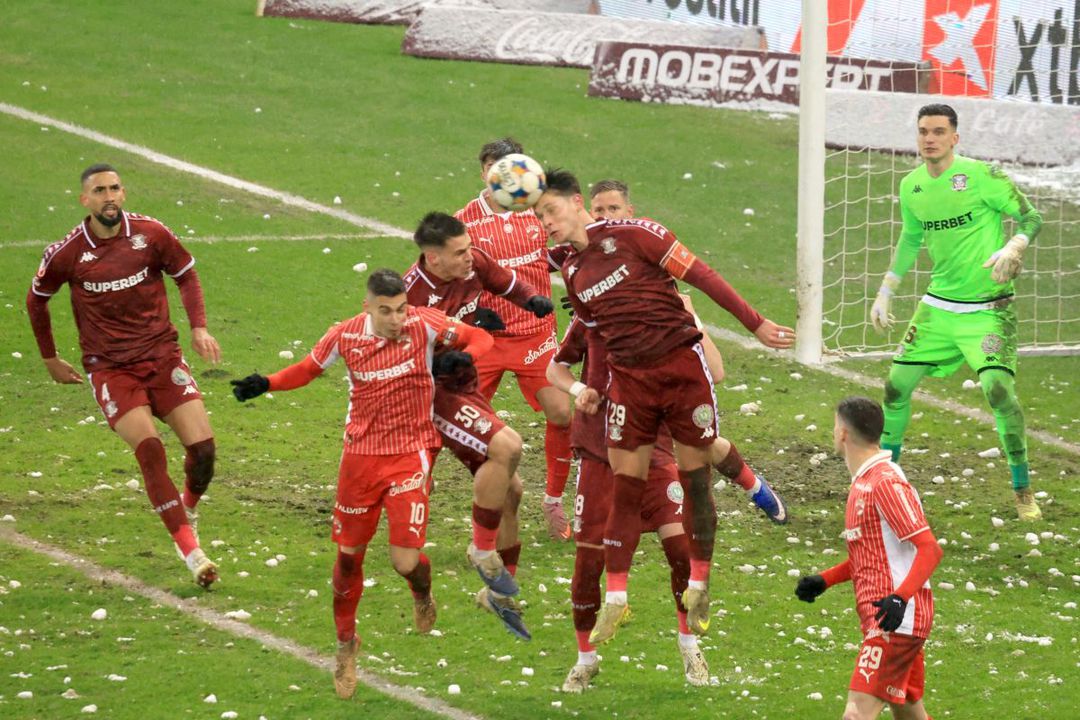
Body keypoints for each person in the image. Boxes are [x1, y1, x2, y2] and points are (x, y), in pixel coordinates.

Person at [534, 168, 795, 638]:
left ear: (575, 203)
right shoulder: (572, 272)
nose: (546, 222)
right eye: (539, 216)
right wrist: (582, 388)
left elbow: (705, 276)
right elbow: (591, 336)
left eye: (549, 211)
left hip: (679, 374)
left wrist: (755, 323)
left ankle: (700, 582)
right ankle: (616, 598)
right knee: (625, 486)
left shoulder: (641, 235)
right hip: (632, 386)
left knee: (697, 476)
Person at [229, 269, 494, 699]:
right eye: (386, 311)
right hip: (360, 459)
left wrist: (466, 358)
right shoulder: (344, 336)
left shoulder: (425, 324)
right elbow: (308, 369)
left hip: (411, 452)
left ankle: (421, 591)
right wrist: (267, 383)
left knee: (405, 561)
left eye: (401, 309)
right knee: (349, 559)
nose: (396, 319)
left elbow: (480, 338)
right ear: (367, 307)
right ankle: (345, 644)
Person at [26, 163, 221, 589]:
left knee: (204, 451)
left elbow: (186, 274)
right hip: (111, 368)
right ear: (85, 200)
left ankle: (186, 507)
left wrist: (199, 327)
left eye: (114, 188)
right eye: (99, 191)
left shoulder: (151, 234)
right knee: (150, 449)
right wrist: (50, 358)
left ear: (124, 193)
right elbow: (36, 299)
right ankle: (190, 550)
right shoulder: (68, 252)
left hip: (162, 357)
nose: (109, 196)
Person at [868, 103, 1044, 521]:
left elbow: (1031, 216)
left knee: (999, 392)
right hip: (937, 309)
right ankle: (887, 486)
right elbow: (911, 239)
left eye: (938, 131)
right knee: (894, 389)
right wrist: (886, 291)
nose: (929, 139)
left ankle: (1023, 489)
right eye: (923, 131)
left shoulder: (983, 176)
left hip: (989, 309)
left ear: (954, 137)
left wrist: (1016, 244)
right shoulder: (911, 186)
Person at [587, 178, 787, 523]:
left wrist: (748, 323)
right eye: (599, 210)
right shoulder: (582, 266)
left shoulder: (657, 275)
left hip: (666, 377)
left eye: (614, 208)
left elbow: (717, 371)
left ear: (630, 212)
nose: (607, 217)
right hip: (624, 389)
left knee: (701, 448)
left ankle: (754, 487)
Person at [404, 211, 555, 640]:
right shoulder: (412, 296)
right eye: (459, 252)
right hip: (431, 393)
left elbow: (504, 282)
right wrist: (441, 357)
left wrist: (531, 300)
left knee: (512, 491)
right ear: (433, 258)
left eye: (469, 247)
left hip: (464, 385)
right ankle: (481, 550)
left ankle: (499, 594)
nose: (469, 257)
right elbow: (399, 357)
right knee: (507, 447)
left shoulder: (474, 262)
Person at [547, 314, 709, 691]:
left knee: (681, 550)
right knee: (588, 565)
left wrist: (694, 320)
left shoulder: (666, 314)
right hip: (598, 456)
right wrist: (579, 390)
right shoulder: (591, 313)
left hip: (653, 453)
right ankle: (586, 659)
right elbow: (556, 368)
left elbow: (714, 372)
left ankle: (690, 646)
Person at [795, 396, 943, 720]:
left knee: (856, 714)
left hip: (893, 621)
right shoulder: (865, 481)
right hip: (891, 617)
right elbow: (876, 556)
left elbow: (930, 549)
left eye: (835, 425)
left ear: (843, 433)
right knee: (910, 714)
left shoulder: (884, 483)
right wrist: (825, 580)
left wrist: (900, 599)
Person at [456, 138, 574, 540]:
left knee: (562, 413)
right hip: (486, 338)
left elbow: (564, 250)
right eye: (494, 169)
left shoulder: (539, 212)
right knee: (463, 419)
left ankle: (553, 501)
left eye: (509, 167)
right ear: (483, 173)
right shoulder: (464, 223)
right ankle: (478, 483)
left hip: (535, 335)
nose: (503, 176)